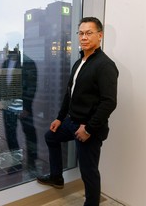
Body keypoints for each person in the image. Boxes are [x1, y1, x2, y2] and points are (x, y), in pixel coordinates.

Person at [36, 17, 118, 206]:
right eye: (81, 33)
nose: (84, 37)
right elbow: (69, 94)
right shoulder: (79, 61)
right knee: (51, 136)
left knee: (88, 172)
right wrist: (59, 118)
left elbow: (109, 102)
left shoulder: (105, 65)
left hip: (89, 128)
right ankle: (57, 177)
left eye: (89, 33)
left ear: (100, 35)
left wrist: (88, 129)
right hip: (71, 121)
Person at [0, 47, 38, 172]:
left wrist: (26, 107)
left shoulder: (28, 63)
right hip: (8, 104)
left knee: (29, 133)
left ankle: (32, 163)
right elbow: (1, 81)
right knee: (10, 134)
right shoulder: (6, 62)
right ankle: (17, 163)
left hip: (22, 105)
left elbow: (32, 86)